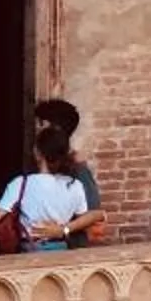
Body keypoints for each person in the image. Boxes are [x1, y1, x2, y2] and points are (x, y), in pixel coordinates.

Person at [0, 126, 103, 254]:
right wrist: (64, 229)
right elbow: (88, 217)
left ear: (37, 153)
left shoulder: (20, 183)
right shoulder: (74, 185)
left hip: (29, 251)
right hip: (61, 251)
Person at [33, 96, 102, 247]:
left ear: (55, 129)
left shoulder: (78, 169)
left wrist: (62, 230)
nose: (37, 129)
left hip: (71, 249)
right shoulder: (42, 165)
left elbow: (95, 213)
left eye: (41, 124)